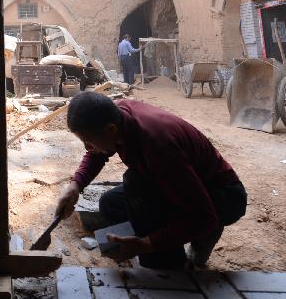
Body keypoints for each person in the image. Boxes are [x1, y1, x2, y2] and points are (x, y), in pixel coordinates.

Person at [54, 92, 247, 268]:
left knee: (137, 187)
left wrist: (145, 245)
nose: (87, 148)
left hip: (222, 197)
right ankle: (168, 242)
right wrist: (75, 185)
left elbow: (203, 215)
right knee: (111, 204)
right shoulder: (115, 116)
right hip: (181, 183)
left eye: (88, 141)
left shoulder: (157, 144)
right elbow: (96, 153)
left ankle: (175, 260)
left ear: (111, 130)